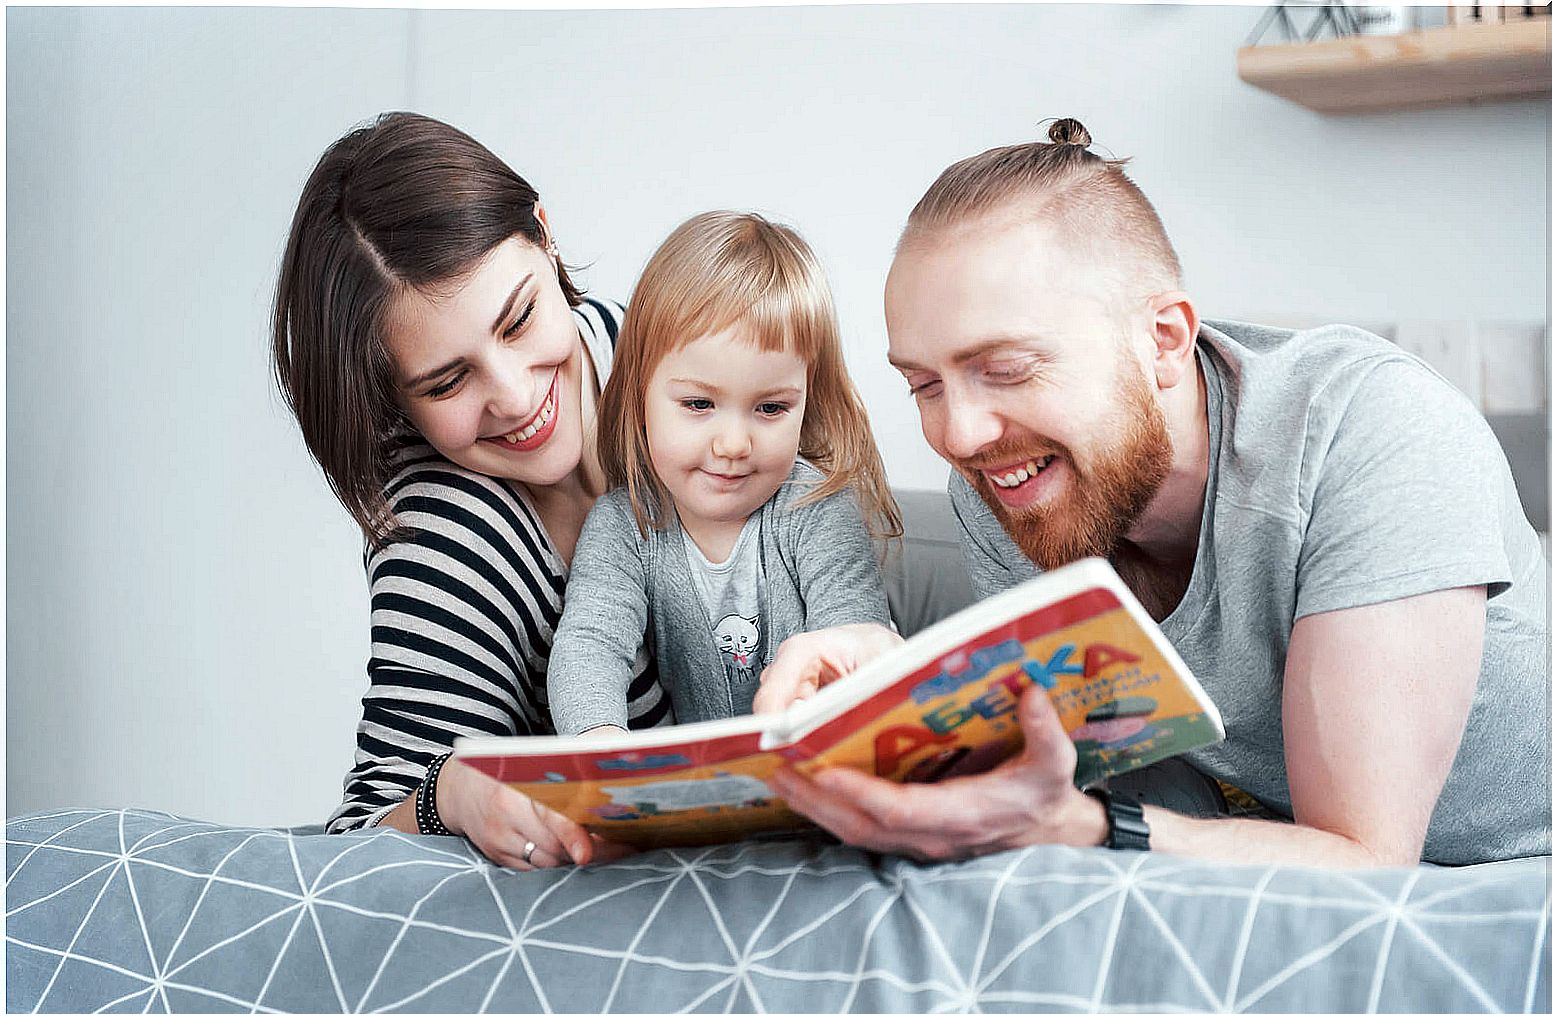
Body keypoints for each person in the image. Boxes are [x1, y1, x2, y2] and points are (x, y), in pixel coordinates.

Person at [757, 118, 1548, 868]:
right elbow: (1125, 778)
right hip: (1272, 842)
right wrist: (909, 690)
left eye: (1006, 369)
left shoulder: (1371, 428)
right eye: (924, 384)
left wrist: (1085, 828)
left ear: (1163, 340)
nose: (959, 436)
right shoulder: (1012, 477)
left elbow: (1365, 858)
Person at [272, 112, 670, 870]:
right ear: (397, 403)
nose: (516, 398)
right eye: (447, 380)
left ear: (546, 239)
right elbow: (356, 845)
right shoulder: (451, 530)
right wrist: (449, 793)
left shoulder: (663, 354)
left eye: (518, 320)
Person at [548, 212, 898, 737]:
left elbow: (851, 636)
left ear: (807, 400)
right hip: (709, 792)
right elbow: (590, 645)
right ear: (640, 392)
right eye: (698, 403)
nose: (733, 445)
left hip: (826, 763)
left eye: (771, 409)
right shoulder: (626, 525)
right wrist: (600, 744)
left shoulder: (816, 505)